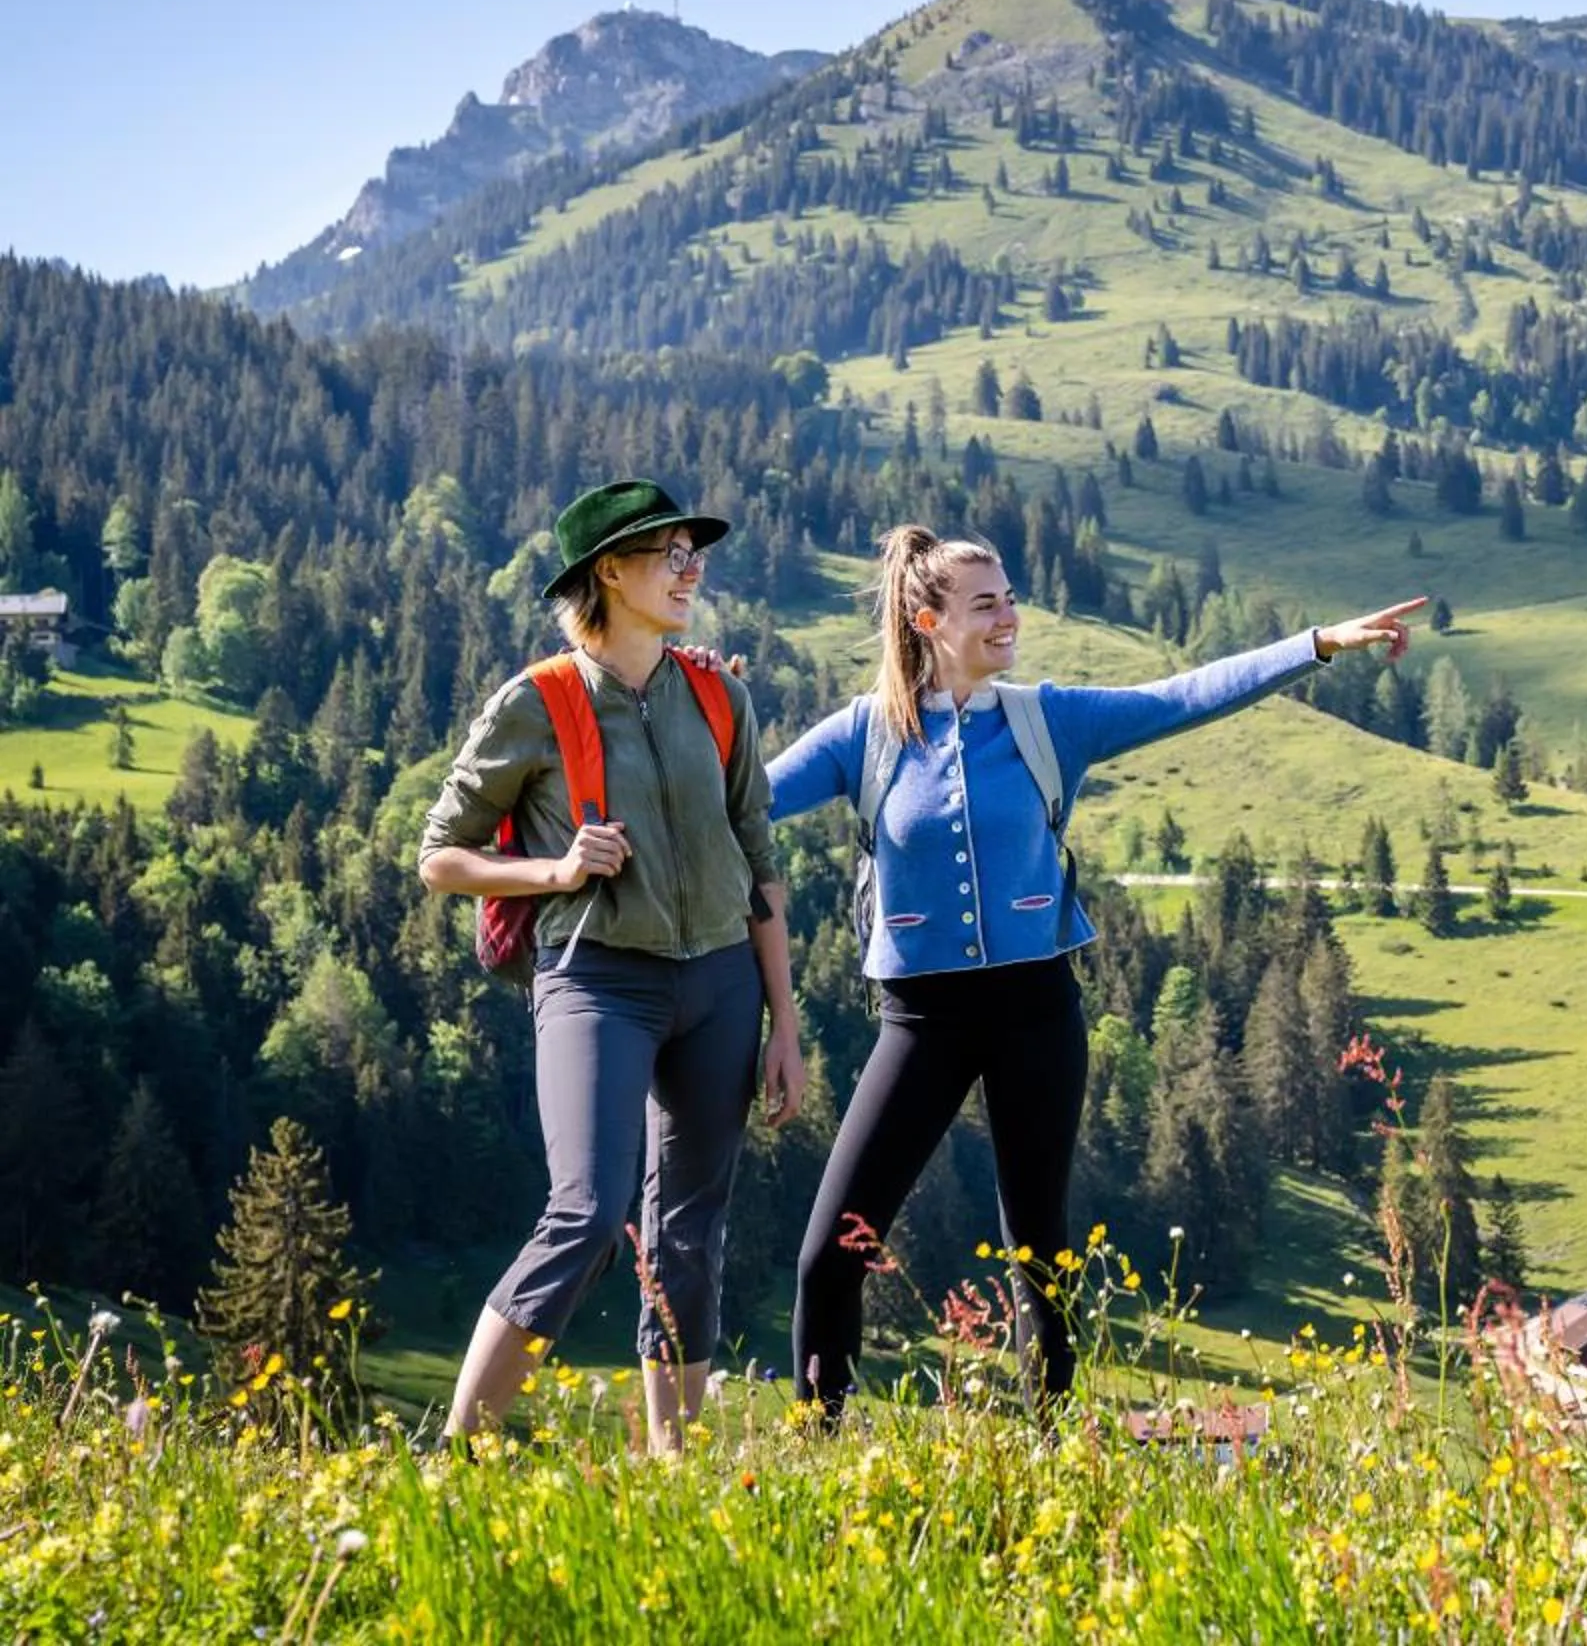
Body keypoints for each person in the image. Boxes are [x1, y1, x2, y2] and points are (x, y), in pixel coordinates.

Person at [766, 523, 1420, 1416]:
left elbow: (1185, 696)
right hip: (919, 1020)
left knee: (1040, 1249)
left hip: (1037, 1009)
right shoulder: (865, 735)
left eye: (1010, 598)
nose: (1009, 616)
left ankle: (1053, 1448)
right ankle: (816, 1444)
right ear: (927, 619)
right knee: (827, 1255)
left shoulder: (1048, 721)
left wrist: (1317, 646)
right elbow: (748, 802)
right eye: (986, 603)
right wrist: (703, 712)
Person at [417, 479, 804, 1453]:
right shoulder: (536, 702)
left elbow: (762, 863)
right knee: (586, 1208)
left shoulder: (719, 692)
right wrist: (553, 866)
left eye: (692, 549)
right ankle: (459, 1453)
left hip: (722, 982)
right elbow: (439, 855)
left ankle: (672, 1467)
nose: (690, 566)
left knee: (689, 1227)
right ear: (609, 572)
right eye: (667, 552)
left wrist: (785, 1026)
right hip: (596, 979)